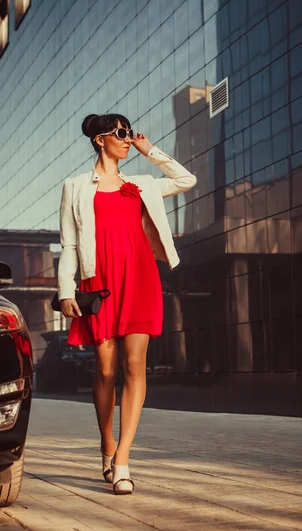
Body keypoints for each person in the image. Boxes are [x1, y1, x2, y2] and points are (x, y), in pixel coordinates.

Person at [58, 113, 196, 495]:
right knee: (105, 370)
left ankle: (122, 460)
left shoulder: (141, 184)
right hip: (98, 282)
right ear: (100, 139)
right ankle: (106, 443)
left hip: (140, 279)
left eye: (128, 132)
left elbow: (187, 180)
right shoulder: (75, 187)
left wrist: (150, 150)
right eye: (121, 133)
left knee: (135, 365)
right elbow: (69, 243)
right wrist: (66, 291)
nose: (127, 139)